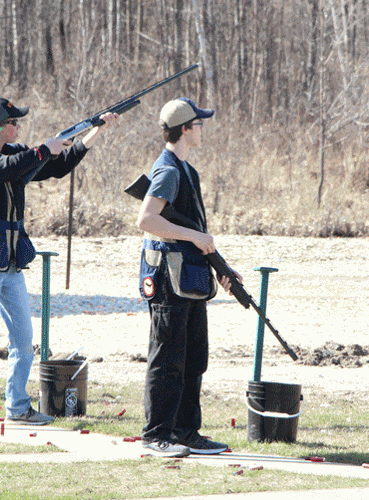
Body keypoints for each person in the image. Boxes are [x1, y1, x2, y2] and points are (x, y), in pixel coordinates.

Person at [0, 98, 117, 429]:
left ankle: (18, 406)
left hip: (9, 258)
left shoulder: (13, 153)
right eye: (13, 122)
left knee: (23, 338)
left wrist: (92, 133)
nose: (18, 127)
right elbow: (2, 168)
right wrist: (42, 150)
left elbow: (57, 165)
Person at [136, 97, 238, 457]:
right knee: (167, 359)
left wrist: (220, 269)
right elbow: (147, 220)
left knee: (194, 358)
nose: (202, 129)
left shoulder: (186, 170)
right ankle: (156, 435)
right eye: (198, 124)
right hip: (168, 278)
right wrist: (196, 238)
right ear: (184, 129)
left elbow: (187, 225)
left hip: (189, 276)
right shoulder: (167, 170)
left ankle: (185, 431)